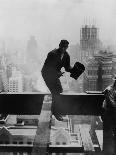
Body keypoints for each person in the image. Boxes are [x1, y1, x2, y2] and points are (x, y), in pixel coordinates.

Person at [41, 39, 85, 121]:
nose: (64, 49)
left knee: (59, 90)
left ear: (67, 47)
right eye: (62, 46)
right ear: (59, 45)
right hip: (47, 74)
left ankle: (57, 110)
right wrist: (57, 73)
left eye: (66, 47)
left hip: (55, 74)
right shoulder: (52, 54)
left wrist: (75, 69)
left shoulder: (66, 55)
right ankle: (56, 112)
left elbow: (67, 68)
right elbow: (47, 68)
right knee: (56, 91)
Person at [102, 77, 116, 154]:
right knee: (108, 139)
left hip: (111, 115)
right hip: (110, 116)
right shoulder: (109, 90)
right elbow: (112, 104)